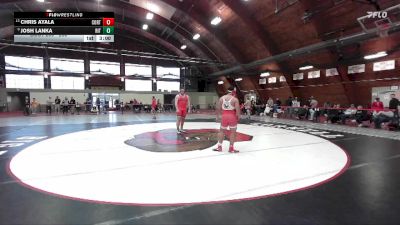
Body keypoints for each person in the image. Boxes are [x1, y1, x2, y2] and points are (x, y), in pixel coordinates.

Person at [215, 86, 241, 153]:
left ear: (227, 91)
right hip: (232, 116)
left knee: (221, 131)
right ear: (233, 91)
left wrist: (217, 116)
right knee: (233, 132)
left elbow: (218, 108)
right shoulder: (235, 99)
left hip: (224, 116)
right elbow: (238, 111)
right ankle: (231, 148)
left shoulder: (221, 98)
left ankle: (219, 147)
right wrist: (238, 117)